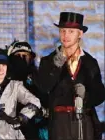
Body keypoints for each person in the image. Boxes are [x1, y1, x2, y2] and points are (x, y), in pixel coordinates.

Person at [38, 12, 105, 140]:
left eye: (71, 31)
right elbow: (43, 87)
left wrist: (86, 96)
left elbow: (100, 94)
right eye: (63, 31)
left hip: (84, 123)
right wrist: (56, 67)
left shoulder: (90, 62)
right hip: (59, 124)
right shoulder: (48, 61)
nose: (65, 35)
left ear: (80, 34)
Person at [7, 40, 49, 140]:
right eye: (18, 56)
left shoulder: (38, 77)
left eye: (25, 56)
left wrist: (42, 111)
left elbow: (46, 103)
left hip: (34, 128)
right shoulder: (5, 78)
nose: (21, 59)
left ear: (30, 58)